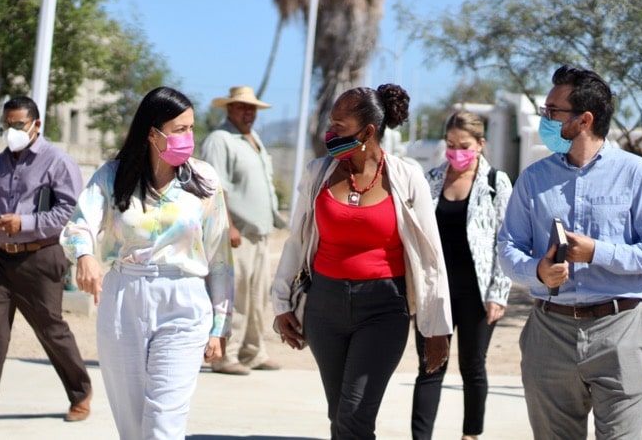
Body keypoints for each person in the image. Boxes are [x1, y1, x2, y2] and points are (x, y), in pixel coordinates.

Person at [497, 65, 642, 439]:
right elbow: (508, 246)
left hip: (619, 331)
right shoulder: (533, 178)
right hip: (549, 332)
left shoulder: (635, 173)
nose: (545, 119)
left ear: (584, 119)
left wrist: (597, 251)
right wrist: (538, 271)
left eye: (552, 112)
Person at [273, 84, 453, 440]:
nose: (330, 133)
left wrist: (436, 328)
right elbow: (296, 239)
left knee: (354, 417)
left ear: (367, 132)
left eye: (339, 127)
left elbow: (431, 257)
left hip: (384, 309)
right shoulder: (318, 172)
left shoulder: (405, 176)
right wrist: (280, 303)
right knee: (339, 414)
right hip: (324, 306)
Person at [59, 87, 234, 439]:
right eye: (179, 129)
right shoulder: (112, 175)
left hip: (184, 302)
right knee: (133, 424)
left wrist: (220, 324)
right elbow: (80, 222)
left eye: (191, 128)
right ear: (152, 133)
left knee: (162, 425)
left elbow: (220, 258)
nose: (189, 137)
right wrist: (85, 254)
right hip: (125, 298)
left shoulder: (204, 181)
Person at [0, 96, 92, 433]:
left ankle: (81, 392)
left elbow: (69, 212)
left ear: (36, 124)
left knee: (50, 329)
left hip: (40, 256)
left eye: (19, 124)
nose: (12, 131)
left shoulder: (58, 162)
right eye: (7, 124)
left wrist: (24, 223)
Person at [411, 110, 513, 440]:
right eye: (450, 144)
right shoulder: (430, 181)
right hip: (436, 292)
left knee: (473, 366)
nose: (456, 151)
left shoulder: (496, 183)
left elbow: (507, 240)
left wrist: (499, 293)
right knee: (430, 366)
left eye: (464, 144)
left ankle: (471, 436)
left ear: (481, 144)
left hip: (477, 293)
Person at [201, 85, 286, 375]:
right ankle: (227, 355)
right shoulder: (220, 140)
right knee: (232, 296)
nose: (248, 113)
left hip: (259, 234)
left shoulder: (253, 139)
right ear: (229, 109)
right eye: (242, 107)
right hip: (236, 235)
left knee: (257, 296)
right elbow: (214, 188)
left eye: (252, 108)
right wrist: (229, 226)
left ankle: (253, 351)